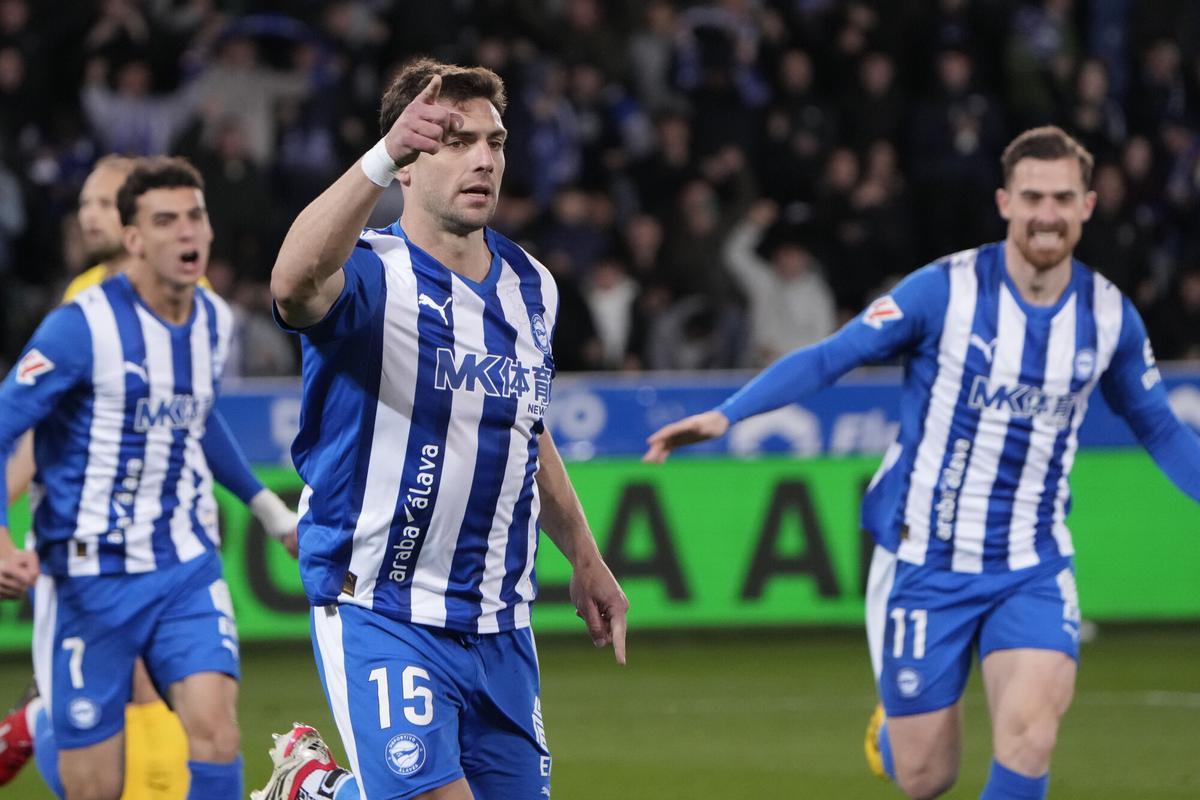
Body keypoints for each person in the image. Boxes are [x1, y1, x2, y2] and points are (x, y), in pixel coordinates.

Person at [643, 126, 1200, 800]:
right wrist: (727, 413)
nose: (1047, 213)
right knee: (925, 778)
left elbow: (1162, 430)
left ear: (1086, 205)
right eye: (1032, 197)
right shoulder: (945, 291)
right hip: (928, 560)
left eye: (1062, 197)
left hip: (1032, 563)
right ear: (1005, 202)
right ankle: (896, 732)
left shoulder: (1110, 316)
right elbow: (833, 355)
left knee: (1030, 735)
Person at [253, 57, 629, 800]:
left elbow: (527, 425)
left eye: (494, 140)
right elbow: (291, 285)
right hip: (383, 607)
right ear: (410, 164)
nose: (484, 158)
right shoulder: (369, 275)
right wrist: (380, 152)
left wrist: (585, 555)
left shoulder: (534, 287)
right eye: (455, 141)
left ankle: (316, 791)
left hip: (498, 620)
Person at [0, 154, 298, 800]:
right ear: (134, 238)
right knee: (94, 787)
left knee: (217, 732)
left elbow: (197, 419)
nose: (186, 232)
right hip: (87, 580)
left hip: (182, 565)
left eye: (195, 217)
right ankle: (39, 719)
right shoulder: (82, 325)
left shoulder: (215, 320)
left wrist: (274, 515)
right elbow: (4, 428)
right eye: (166, 220)